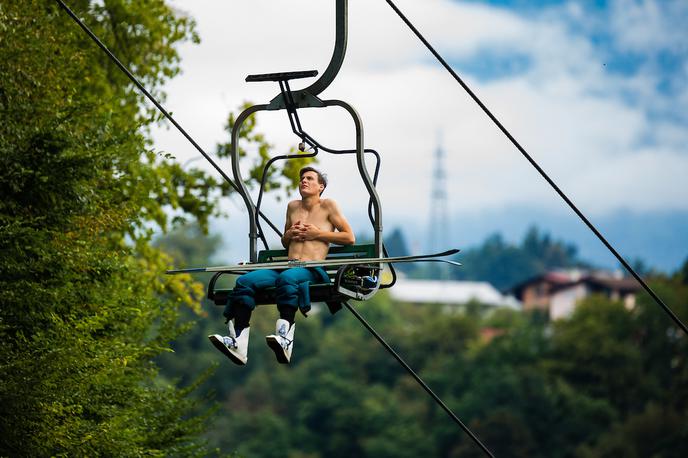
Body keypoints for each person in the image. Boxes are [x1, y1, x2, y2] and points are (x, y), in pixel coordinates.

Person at [209, 167, 355, 365]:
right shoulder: (293, 207)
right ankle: (239, 342)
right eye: (302, 178)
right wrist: (288, 235)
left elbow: (349, 237)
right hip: (287, 265)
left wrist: (317, 234)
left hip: (311, 268)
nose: (303, 181)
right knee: (245, 281)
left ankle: (285, 339)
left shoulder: (328, 206)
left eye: (309, 178)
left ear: (320, 186)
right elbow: (286, 241)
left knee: (288, 279)